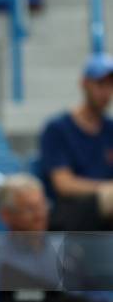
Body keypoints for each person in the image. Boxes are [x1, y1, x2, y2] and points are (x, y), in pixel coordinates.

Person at [39, 53, 113, 230]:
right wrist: (106, 190)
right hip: (69, 211)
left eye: (110, 85)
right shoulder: (58, 128)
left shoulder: (110, 128)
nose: (106, 92)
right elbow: (64, 185)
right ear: (84, 83)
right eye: (100, 84)